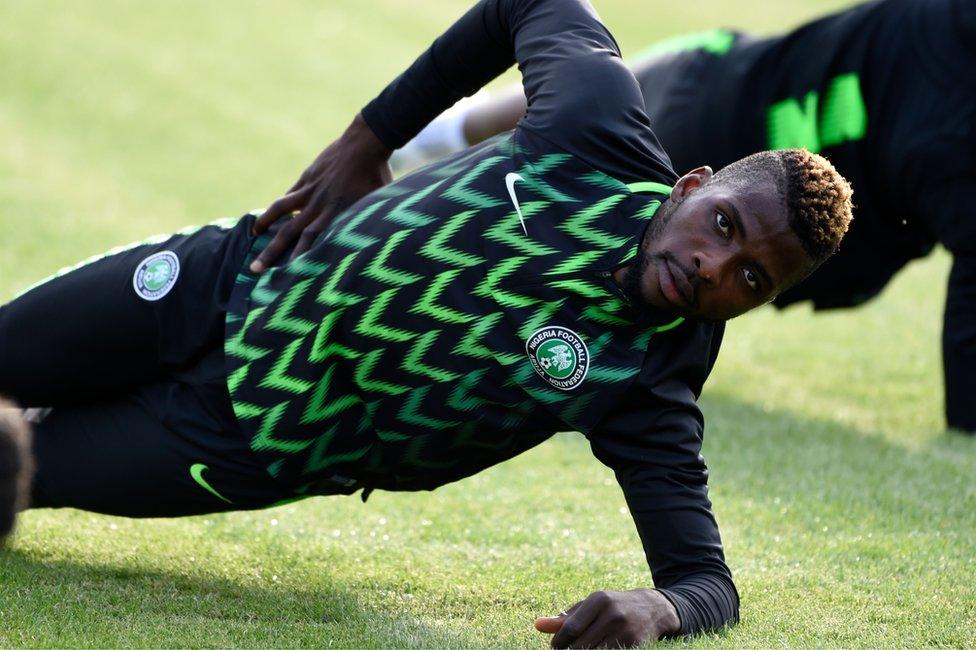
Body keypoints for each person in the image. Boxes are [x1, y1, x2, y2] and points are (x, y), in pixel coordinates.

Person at [0, 0, 853, 645]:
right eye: (726, 227)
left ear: (759, 302)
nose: (714, 266)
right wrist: (373, 135)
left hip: (239, 440)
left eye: (749, 277)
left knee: (12, 475)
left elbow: (709, 582)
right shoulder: (596, 126)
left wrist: (660, 606)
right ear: (694, 185)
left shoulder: (650, 377)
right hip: (228, 277)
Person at [395, 0, 976, 432]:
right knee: (547, 219)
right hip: (715, 142)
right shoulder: (951, 139)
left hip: (721, 70)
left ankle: (437, 136)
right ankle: (424, 157)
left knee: (586, 113)